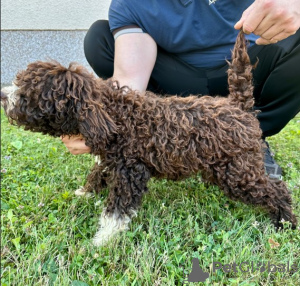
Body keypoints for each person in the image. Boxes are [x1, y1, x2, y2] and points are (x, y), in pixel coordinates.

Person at [61, 0, 300, 179]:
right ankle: (161, 136)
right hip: (176, 82)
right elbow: (129, 82)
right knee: (99, 38)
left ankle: (248, 137)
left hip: (249, 65)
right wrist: (103, 124)